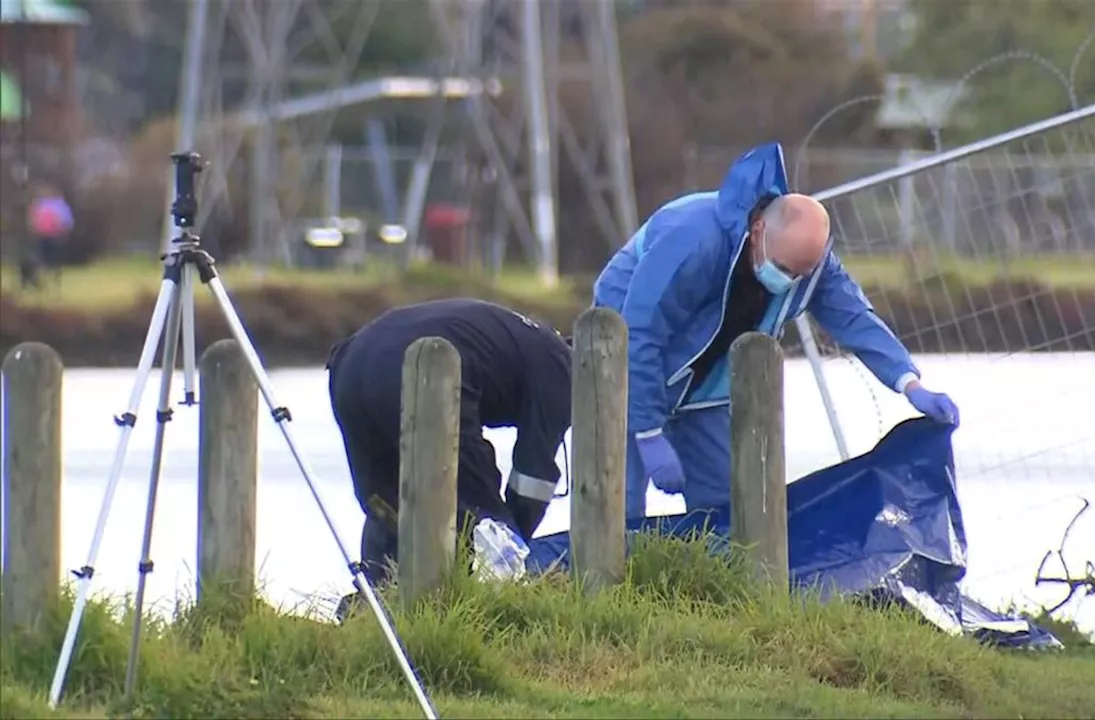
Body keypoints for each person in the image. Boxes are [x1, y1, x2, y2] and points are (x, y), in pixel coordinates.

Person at [592, 142, 960, 520]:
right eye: (784, 268)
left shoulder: (811, 264)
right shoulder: (693, 239)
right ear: (757, 229)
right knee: (614, 507)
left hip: (705, 388)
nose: (789, 281)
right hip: (626, 370)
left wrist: (909, 383)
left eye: (800, 273)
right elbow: (639, 329)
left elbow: (854, 318)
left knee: (726, 510)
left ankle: (708, 579)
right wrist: (649, 429)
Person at [326, 298, 571, 616]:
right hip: (426, 369)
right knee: (480, 520)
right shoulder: (561, 369)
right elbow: (532, 478)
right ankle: (480, 615)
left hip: (350, 366)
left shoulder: (521, 338)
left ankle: (373, 604)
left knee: (387, 504)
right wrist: (510, 539)